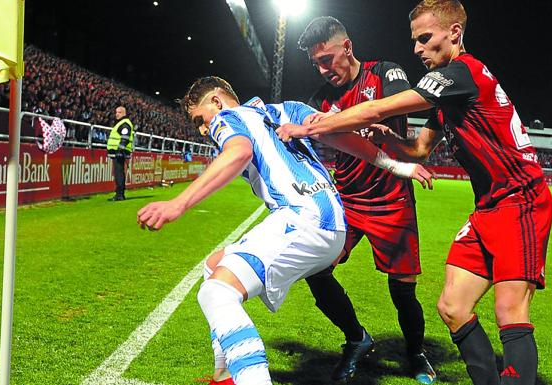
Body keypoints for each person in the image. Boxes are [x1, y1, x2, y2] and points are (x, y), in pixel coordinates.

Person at [277, 1, 552, 384]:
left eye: (425, 39)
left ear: (454, 33)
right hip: (487, 208)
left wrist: (310, 128)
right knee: (453, 307)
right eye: (415, 41)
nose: (417, 49)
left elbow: (379, 107)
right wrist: (391, 141)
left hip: (520, 200)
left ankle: (431, 358)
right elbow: (420, 150)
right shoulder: (448, 98)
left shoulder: (461, 73)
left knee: (509, 311)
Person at [137, 76, 434, 385]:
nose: (202, 129)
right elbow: (338, 137)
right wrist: (400, 166)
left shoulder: (227, 117)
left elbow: (239, 153)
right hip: (333, 222)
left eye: (200, 119)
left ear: (216, 101)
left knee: (218, 292)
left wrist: (179, 203)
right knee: (213, 267)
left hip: (304, 219)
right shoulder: (286, 109)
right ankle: (224, 375)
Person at [296, 16, 435, 383]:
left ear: (347, 47)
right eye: (317, 64)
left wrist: (381, 125)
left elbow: (400, 104)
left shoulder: (384, 73)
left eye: (327, 59)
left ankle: (416, 355)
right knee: (316, 269)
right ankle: (355, 339)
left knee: (403, 290)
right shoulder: (320, 100)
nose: (324, 69)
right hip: (347, 203)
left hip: (392, 200)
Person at [107, 106, 134, 201]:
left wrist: (120, 150)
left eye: (119, 112)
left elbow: (125, 138)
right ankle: (119, 193)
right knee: (118, 172)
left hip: (119, 152)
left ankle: (119, 194)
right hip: (119, 151)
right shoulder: (122, 123)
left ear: (124, 113)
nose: (117, 114)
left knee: (119, 173)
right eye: (116, 112)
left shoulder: (124, 123)